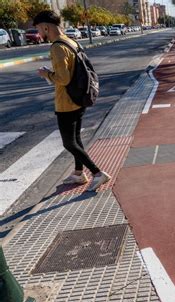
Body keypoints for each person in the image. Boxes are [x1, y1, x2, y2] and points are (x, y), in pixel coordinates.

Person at [34, 10, 110, 191]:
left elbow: (63, 79)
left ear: (46, 26)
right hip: (79, 98)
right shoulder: (70, 41)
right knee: (76, 139)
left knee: (69, 143)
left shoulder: (57, 47)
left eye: (38, 28)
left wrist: (46, 74)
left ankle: (98, 173)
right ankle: (78, 173)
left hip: (66, 102)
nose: (39, 33)